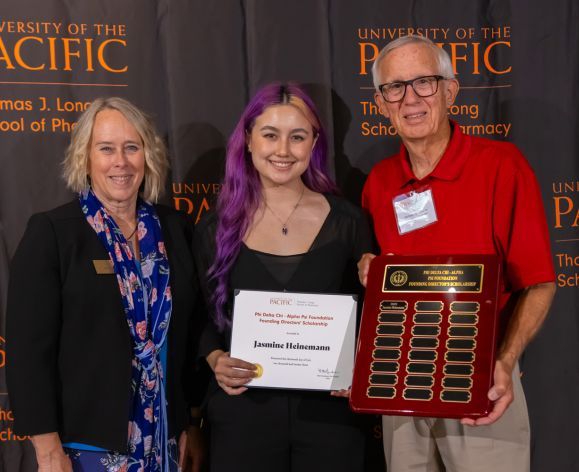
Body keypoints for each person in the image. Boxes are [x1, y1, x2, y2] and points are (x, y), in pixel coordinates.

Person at [358, 35, 556, 471]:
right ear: (380, 103)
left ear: (450, 90)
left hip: (481, 384)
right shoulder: (379, 182)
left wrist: (504, 363)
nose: (410, 98)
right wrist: (370, 272)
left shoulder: (503, 165)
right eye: (395, 87)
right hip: (401, 383)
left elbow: (539, 282)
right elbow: (383, 278)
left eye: (424, 82)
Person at [7, 97, 204, 472]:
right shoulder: (53, 233)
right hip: (85, 444)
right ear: (85, 158)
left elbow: (191, 332)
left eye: (132, 147)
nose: (121, 161)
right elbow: (28, 352)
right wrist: (47, 447)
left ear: (148, 156)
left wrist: (189, 421)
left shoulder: (175, 229)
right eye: (106, 148)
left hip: (164, 438)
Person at [194, 83, 371, 472]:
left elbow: (376, 319)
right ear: (248, 139)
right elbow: (199, 315)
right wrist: (215, 357)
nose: (283, 151)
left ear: (314, 143)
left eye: (297, 137)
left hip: (332, 416)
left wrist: (362, 364)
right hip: (243, 412)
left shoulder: (350, 222)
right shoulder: (214, 229)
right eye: (270, 135)